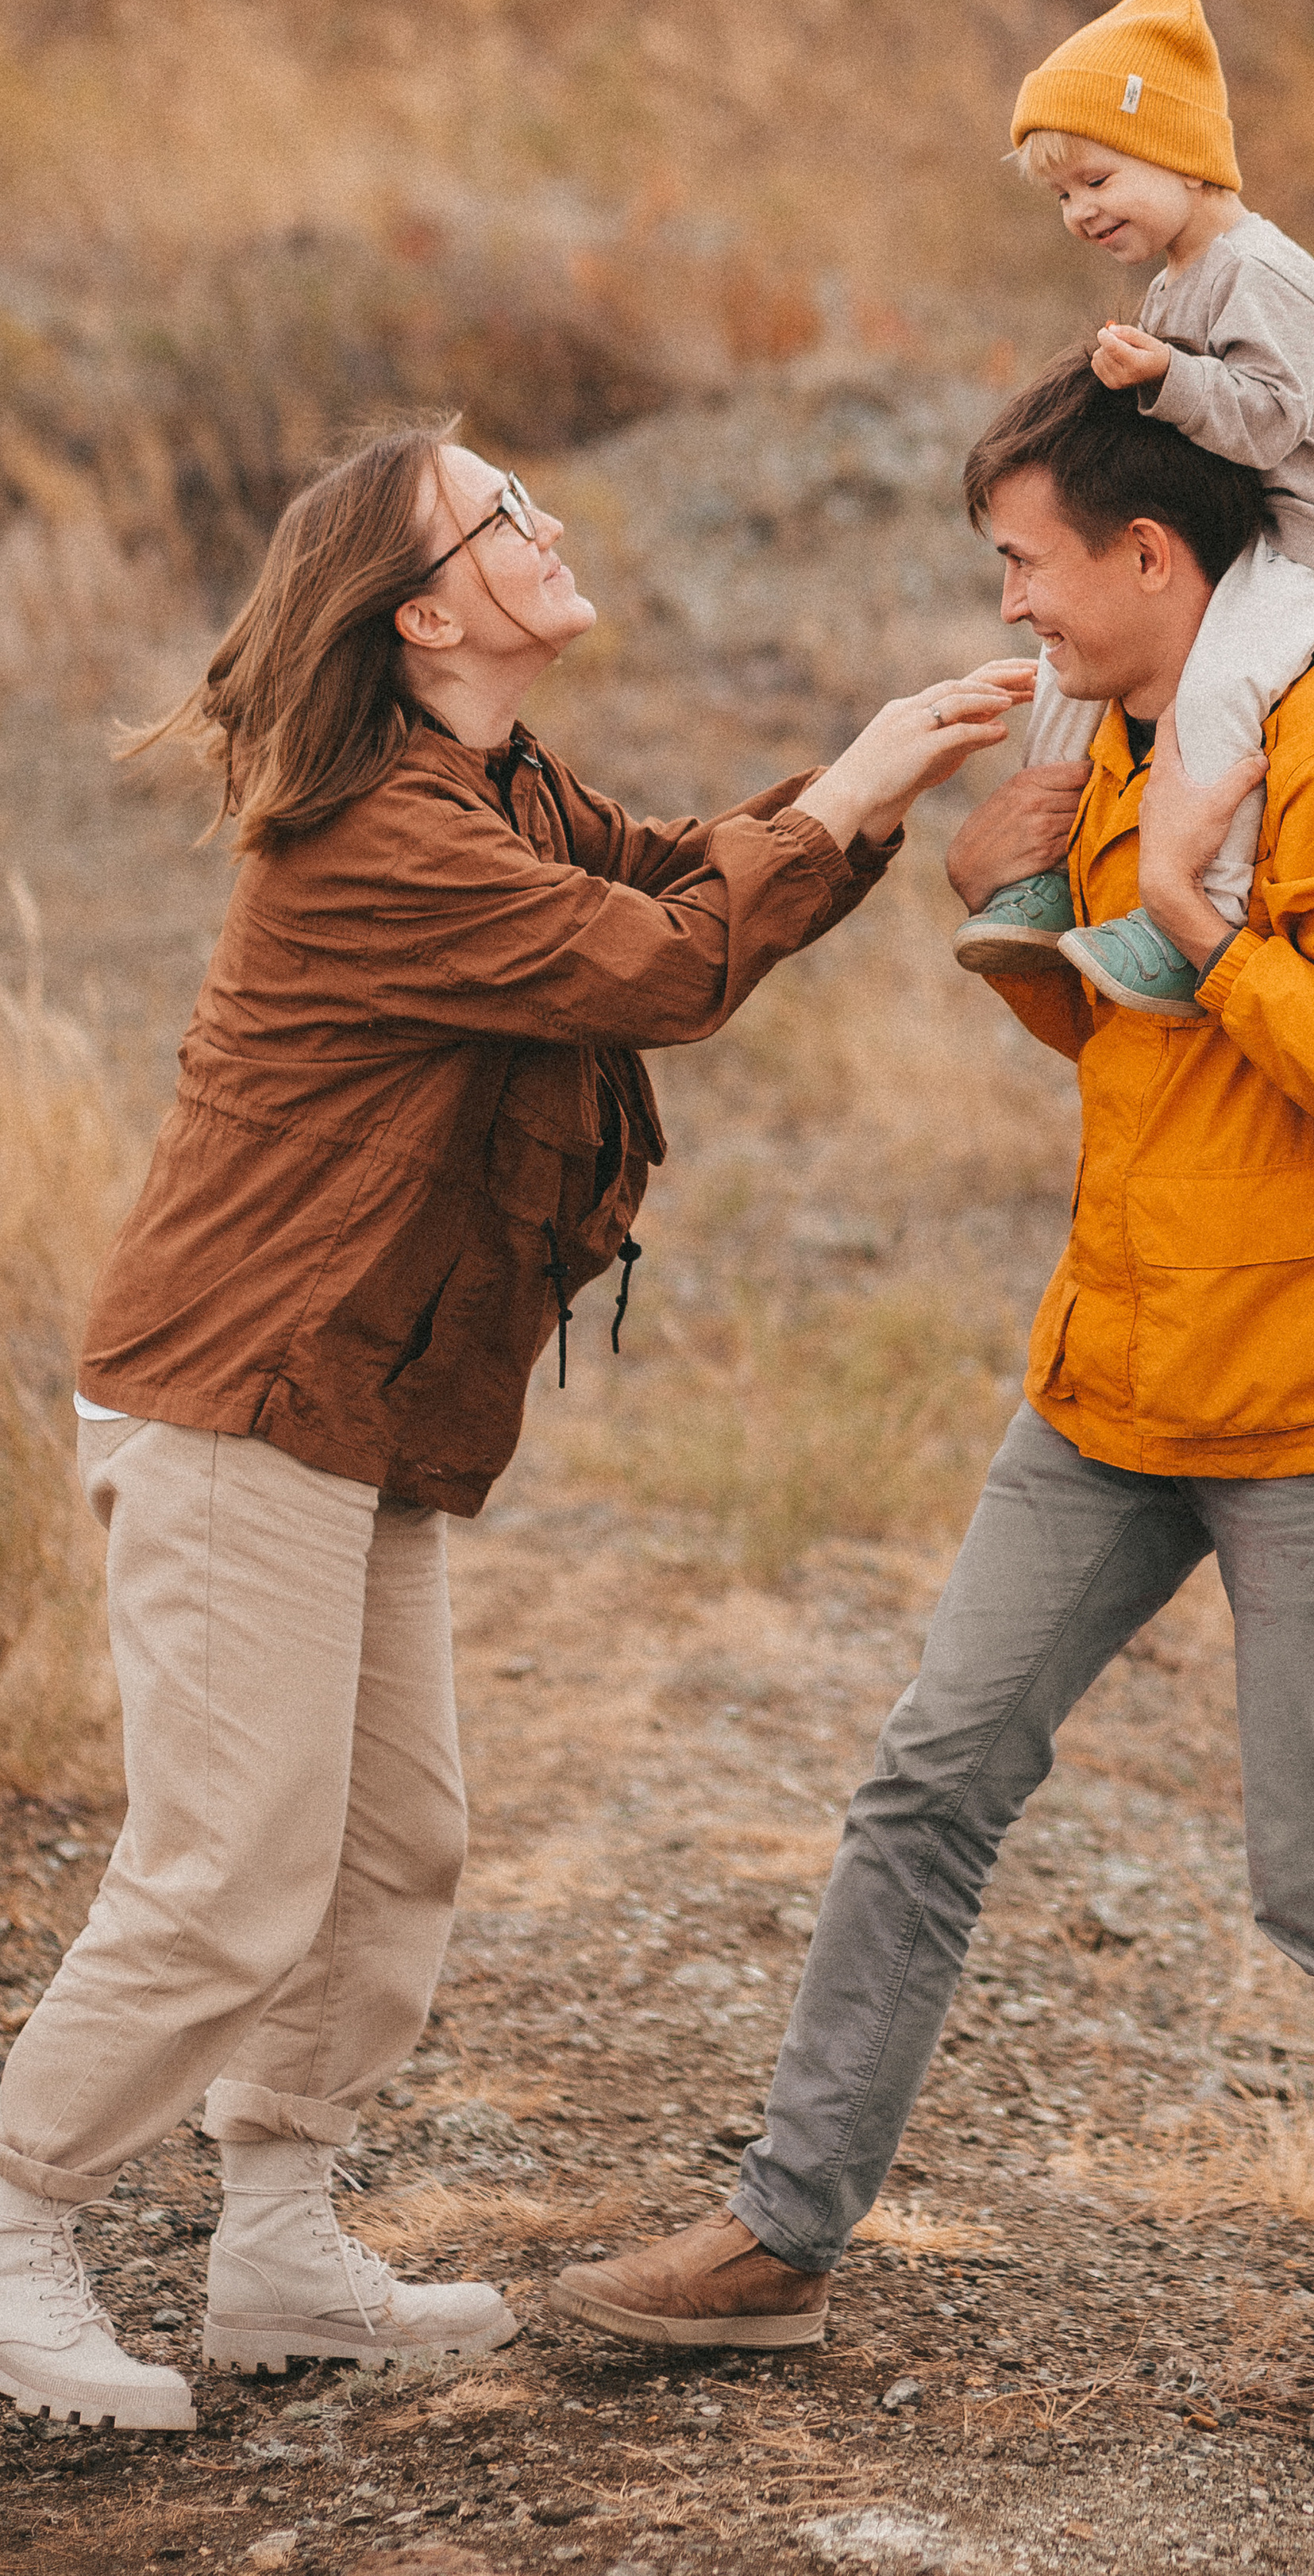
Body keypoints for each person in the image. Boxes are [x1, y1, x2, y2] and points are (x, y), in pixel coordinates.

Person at [552, 353, 1314, 2447]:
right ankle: (779, 2240)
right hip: (1121, 1365)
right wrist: (1014, 911)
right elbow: (1144, 1051)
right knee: (929, 1776)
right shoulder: (1127, 721)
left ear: (1148, 551)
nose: (1009, 604)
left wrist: (1187, 897)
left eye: (1024, 563)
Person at [0, 422, 1031, 2434]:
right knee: (231, 1869)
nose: (546, 526)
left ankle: (278, 2244)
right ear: (426, 609)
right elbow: (651, 968)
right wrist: (845, 790)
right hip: (242, 1389)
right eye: (504, 517)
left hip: (362, 1394)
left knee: (393, 1851)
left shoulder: (499, 786)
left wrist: (875, 774)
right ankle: (17, 2207)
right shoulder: (377, 833)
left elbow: (662, 883)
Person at [951, 0, 1314, 1019]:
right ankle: (1049, 872)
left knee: (1216, 690)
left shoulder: (1269, 273)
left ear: (1184, 156)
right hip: (1248, 535)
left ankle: (1193, 913)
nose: (1080, 212)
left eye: (1098, 180)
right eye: (1064, 195)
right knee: (1064, 676)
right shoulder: (1176, 283)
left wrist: (1163, 379)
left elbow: (1263, 421)